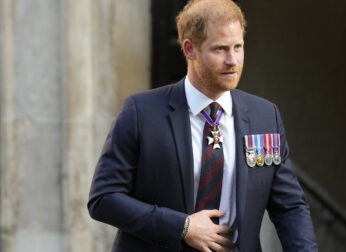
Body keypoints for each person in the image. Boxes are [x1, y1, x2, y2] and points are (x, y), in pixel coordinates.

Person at [88, 0, 318, 251]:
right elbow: (104, 198)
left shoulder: (265, 116)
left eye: (238, 47)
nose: (233, 60)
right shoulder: (140, 112)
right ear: (190, 49)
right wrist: (182, 226)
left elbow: (290, 207)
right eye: (220, 49)